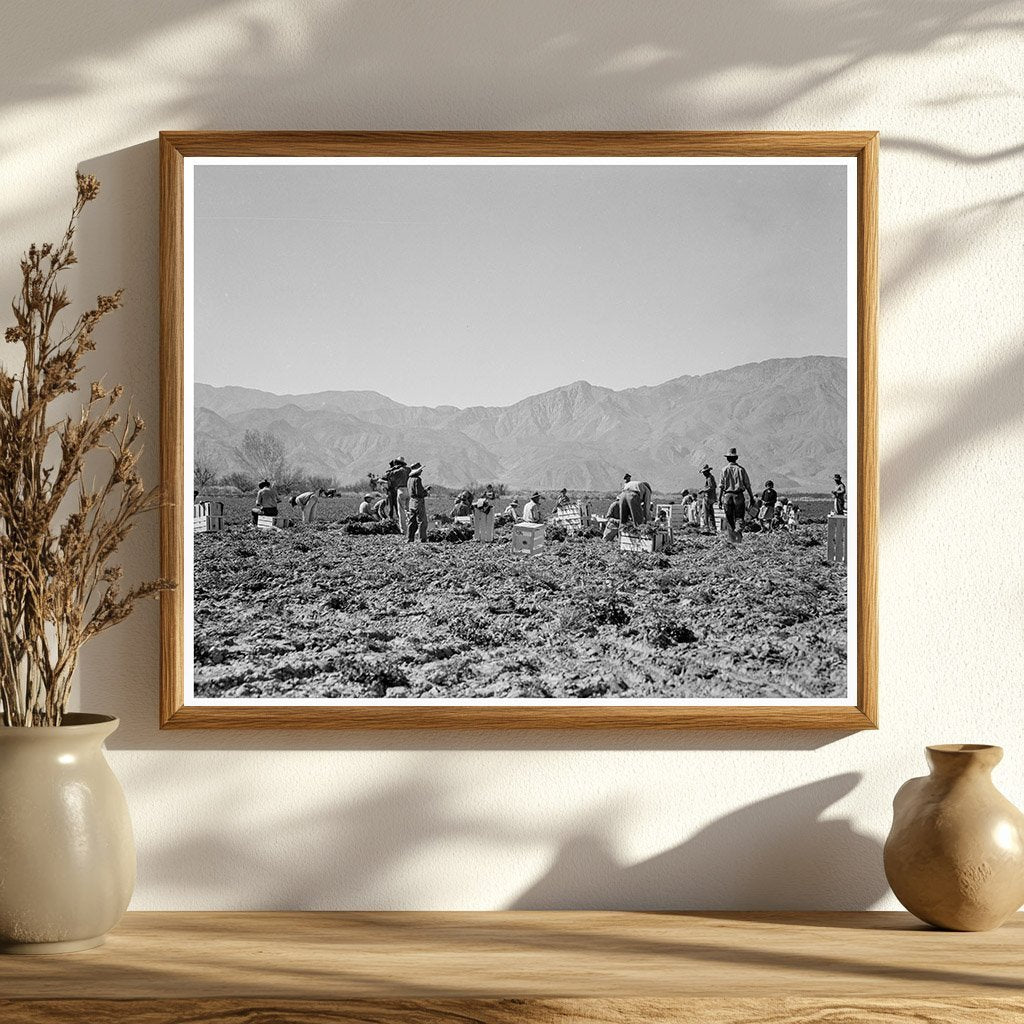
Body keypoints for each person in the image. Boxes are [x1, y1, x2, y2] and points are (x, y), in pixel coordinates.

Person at [718, 447, 755, 537]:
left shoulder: (724, 470)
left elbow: (721, 486)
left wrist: (719, 499)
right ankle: (738, 534)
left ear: (727, 459)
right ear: (736, 458)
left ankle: (732, 537)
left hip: (727, 496)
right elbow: (747, 485)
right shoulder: (741, 470)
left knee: (729, 518)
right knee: (739, 517)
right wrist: (751, 497)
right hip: (738, 495)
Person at [406, 465, 430, 543]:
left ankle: (410, 538)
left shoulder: (409, 479)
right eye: (420, 470)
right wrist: (426, 491)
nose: (421, 471)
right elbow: (419, 493)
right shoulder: (417, 479)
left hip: (411, 502)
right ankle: (422, 539)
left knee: (412, 521)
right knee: (422, 521)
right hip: (418, 502)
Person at [698, 464, 717, 535]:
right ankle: (712, 528)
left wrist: (703, 490)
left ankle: (707, 527)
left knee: (705, 512)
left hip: (708, 497)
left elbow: (711, 487)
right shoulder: (710, 478)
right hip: (711, 497)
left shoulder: (709, 478)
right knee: (711, 513)